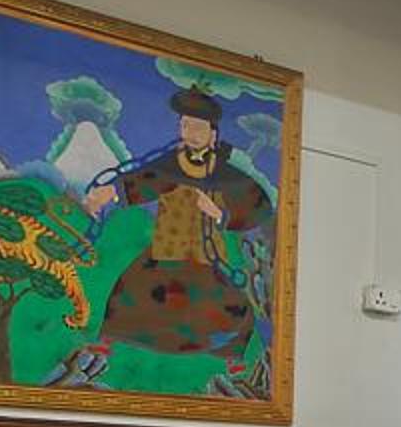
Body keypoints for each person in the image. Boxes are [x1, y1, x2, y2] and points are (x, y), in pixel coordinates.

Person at [83, 83, 271, 359]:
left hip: (205, 255)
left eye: (198, 128)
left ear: (213, 134)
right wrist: (109, 192)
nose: (190, 134)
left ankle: (231, 361)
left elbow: (256, 203)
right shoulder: (170, 164)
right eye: (185, 126)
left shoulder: (226, 173)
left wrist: (218, 213)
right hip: (166, 248)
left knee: (233, 309)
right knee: (129, 293)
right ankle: (106, 344)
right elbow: (143, 180)